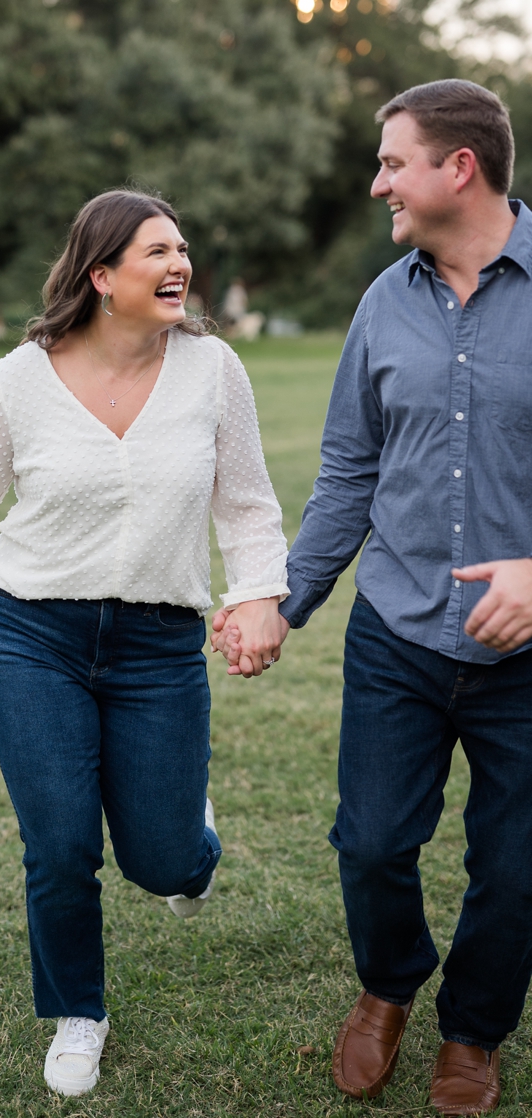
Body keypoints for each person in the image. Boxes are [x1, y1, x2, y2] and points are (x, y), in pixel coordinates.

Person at [0, 189, 290, 1098]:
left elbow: (247, 501)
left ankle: (189, 839)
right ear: (101, 277)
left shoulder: (213, 370)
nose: (179, 266)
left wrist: (256, 595)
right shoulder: (21, 377)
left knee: (164, 862)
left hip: (160, 644)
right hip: (28, 635)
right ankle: (77, 1013)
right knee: (58, 845)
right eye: (155, 253)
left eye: (182, 249)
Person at [214, 79, 532, 1116]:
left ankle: (474, 1029)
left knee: (519, 866)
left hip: (526, 656)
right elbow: (350, 467)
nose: (376, 180)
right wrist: (281, 597)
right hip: (396, 629)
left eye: (393, 161)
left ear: (459, 167)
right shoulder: (381, 301)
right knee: (374, 843)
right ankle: (388, 983)